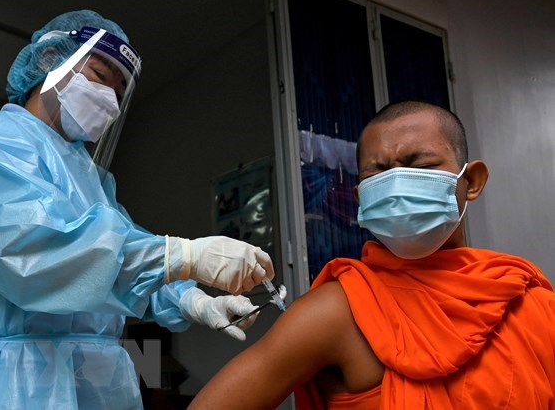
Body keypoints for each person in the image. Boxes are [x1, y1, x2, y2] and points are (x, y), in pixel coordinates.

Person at [0, 10, 275, 410]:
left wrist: (193, 301)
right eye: (99, 75)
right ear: (49, 61)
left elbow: (117, 259)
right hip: (10, 380)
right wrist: (184, 255)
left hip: (97, 377)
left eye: (119, 89)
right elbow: (36, 253)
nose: (109, 99)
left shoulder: (92, 178)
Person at [188, 100, 555, 409]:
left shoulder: (526, 300)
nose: (397, 186)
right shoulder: (337, 311)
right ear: (362, 197)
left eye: (421, 166)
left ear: (470, 181)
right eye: (378, 174)